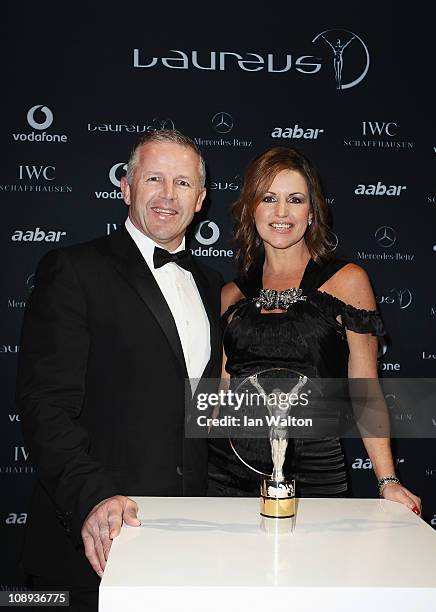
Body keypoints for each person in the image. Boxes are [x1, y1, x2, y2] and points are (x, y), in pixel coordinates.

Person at [17, 129, 223, 610]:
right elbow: (44, 405)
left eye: (183, 183)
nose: (168, 195)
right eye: (154, 178)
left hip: (188, 540)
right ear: (126, 187)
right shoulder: (73, 269)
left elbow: (209, 405)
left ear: (201, 200)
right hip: (98, 541)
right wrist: (93, 498)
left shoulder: (212, 285)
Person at [207, 146, 421, 515]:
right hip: (228, 473)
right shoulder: (232, 294)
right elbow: (223, 391)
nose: (281, 212)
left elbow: (364, 388)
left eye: (295, 199)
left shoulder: (347, 281)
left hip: (315, 471)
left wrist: (388, 481)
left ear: (312, 212)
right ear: (251, 209)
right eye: (268, 198)